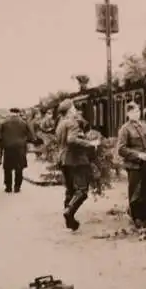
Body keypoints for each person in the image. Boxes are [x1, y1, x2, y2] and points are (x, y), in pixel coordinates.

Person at [117, 102, 146, 228]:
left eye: (138, 111)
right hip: (134, 166)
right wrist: (137, 155)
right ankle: (137, 218)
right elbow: (121, 149)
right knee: (135, 192)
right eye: (133, 112)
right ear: (128, 114)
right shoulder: (125, 129)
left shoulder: (145, 125)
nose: (136, 114)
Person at [55, 99, 99, 231]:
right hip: (76, 160)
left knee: (70, 190)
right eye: (73, 107)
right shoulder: (72, 122)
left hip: (63, 160)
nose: (75, 110)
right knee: (82, 191)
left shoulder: (61, 123)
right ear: (70, 110)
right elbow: (71, 140)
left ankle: (70, 222)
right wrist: (90, 143)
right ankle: (69, 212)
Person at [0, 108, 36, 194]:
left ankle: (8, 187)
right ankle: (17, 187)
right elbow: (31, 137)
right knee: (19, 168)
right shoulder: (24, 123)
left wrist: (1, 148)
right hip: (20, 148)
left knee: (7, 168)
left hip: (8, 148)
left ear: (10, 113)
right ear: (18, 113)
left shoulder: (4, 122)